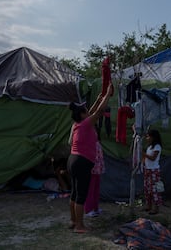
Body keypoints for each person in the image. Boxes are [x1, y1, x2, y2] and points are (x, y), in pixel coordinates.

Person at [67, 83, 112, 233]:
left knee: (74, 193)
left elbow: (92, 111)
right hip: (82, 162)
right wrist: (107, 96)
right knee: (81, 195)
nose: (88, 111)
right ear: (82, 114)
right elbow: (98, 112)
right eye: (85, 111)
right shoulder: (86, 124)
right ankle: (79, 226)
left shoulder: (77, 124)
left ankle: (74, 221)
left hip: (73, 160)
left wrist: (99, 98)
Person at [142, 129, 163, 215]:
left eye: (148, 136)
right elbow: (146, 158)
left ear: (153, 137)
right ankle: (149, 206)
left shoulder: (157, 147)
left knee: (155, 189)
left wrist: (143, 154)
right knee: (147, 189)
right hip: (148, 169)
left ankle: (156, 208)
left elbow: (153, 158)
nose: (147, 138)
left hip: (154, 170)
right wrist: (143, 162)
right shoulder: (149, 147)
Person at [84, 140, 105, 217]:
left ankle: (96, 208)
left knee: (96, 188)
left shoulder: (96, 140)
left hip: (97, 168)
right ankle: (88, 209)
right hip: (91, 168)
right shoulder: (87, 141)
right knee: (90, 189)